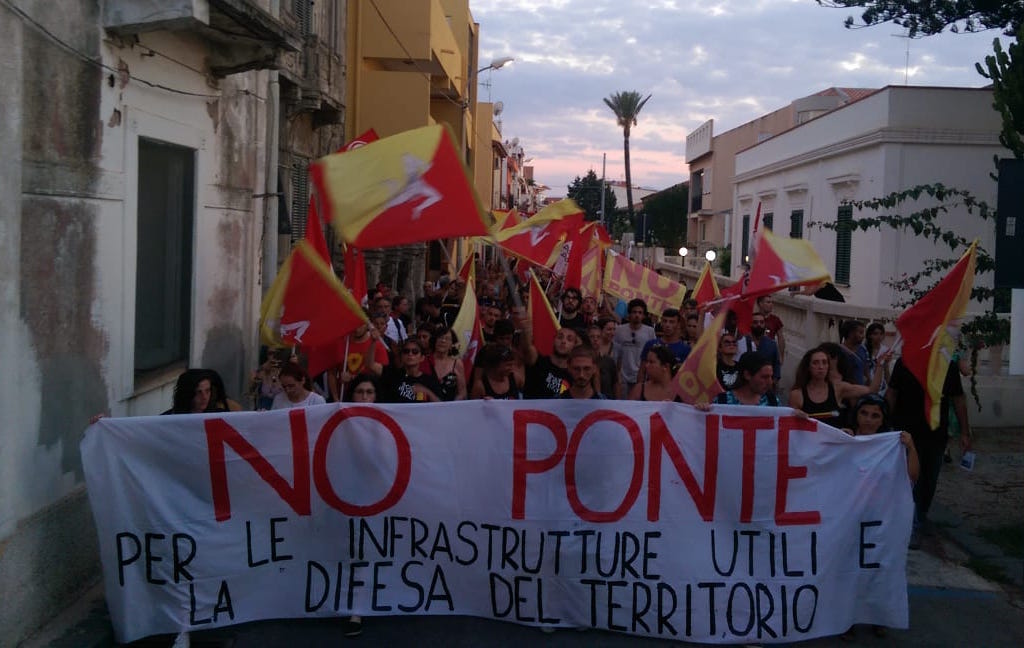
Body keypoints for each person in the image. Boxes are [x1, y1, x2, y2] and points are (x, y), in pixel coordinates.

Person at [839, 393, 918, 642]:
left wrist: (911, 447)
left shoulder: (893, 444)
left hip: (882, 517)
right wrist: (839, 441)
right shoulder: (846, 439)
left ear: (883, 419)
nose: (869, 420)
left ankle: (877, 617)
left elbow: (911, 477)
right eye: (864, 413)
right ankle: (845, 618)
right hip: (850, 516)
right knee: (848, 568)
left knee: (880, 567)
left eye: (875, 415)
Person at [887, 356, 970, 549]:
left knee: (929, 480)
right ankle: (911, 526)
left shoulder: (946, 364)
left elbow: (958, 398)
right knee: (910, 480)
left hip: (936, 433)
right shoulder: (904, 362)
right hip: (906, 433)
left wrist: (965, 432)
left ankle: (921, 517)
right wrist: (884, 424)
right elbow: (892, 393)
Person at [789, 346, 888, 428]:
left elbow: (872, 390)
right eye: (816, 363)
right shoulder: (797, 394)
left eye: (824, 362)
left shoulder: (838, 388)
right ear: (808, 367)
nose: (821, 367)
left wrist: (880, 365)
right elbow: (789, 425)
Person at [328, 319, 389, 402]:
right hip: (343, 398)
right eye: (354, 324)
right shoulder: (341, 344)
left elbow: (380, 374)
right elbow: (331, 373)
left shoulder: (377, 346)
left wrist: (352, 377)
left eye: (360, 325)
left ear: (368, 325)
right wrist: (335, 399)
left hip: (368, 399)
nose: (357, 328)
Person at [613, 299, 657, 398]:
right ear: (629, 314)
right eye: (634, 312)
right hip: (622, 377)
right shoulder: (619, 330)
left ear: (644, 315)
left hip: (641, 377)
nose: (637, 315)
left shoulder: (650, 331)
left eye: (640, 312)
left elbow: (653, 354)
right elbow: (615, 354)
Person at [714, 352, 780, 407]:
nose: (770, 382)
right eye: (764, 377)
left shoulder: (773, 402)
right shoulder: (722, 402)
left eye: (771, 377)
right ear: (747, 375)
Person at [736, 312, 781, 386]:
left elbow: (776, 365)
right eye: (755, 322)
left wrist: (772, 383)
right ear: (750, 324)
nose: (759, 325)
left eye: (762, 322)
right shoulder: (741, 342)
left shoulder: (771, 344)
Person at [427, 327, 467, 401]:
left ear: (452, 344)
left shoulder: (457, 363)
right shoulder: (425, 360)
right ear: (434, 340)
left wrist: (451, 406)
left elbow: (462, 392)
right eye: (440, 337)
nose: (443, 340)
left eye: (447, 338)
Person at [586, 322, 619, 399]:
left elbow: (616, 383)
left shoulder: (609, 361)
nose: (595, 339)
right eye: (592, 337)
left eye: (598, 337)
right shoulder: (581, 362)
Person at [756, 294, 786, 363]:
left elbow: (781, 338)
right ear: (760, 304)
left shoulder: (776, 320)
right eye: (768, 302)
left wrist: (781, 356)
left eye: (772, 302)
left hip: (769, 354)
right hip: (755, 352)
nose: (771, 304)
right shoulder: (754, 318)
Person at [839, 319, 869, 385]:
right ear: (850, 333)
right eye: (861, 333)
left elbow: (866, 369)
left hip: (860, 390)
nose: (863, 336)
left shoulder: (863, 349)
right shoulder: (838, 351)